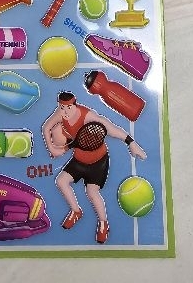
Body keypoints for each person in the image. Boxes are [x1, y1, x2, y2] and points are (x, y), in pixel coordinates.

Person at [41, 91, 146, 245]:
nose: (65, 112)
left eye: (68, 108)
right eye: (62, 108)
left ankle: (103, 224)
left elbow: (111, 128)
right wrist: (51, 148)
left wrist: (131, 143)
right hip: (79, 159)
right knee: (61, 181)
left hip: (98, 161)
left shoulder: (89, 116)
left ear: (75, 105)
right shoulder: (61, 113)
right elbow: (46, 127)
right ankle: (76, 211)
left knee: (91, 192)